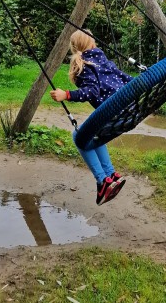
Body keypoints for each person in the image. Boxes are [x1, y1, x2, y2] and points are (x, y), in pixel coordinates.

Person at [50, 30, 132, 205]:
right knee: (93, 136)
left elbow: (91, 92)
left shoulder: (85, 65)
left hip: (112, 112)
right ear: (92, 43)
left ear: (75, 47)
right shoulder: (104, 60)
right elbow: (127, 79)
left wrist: (67, 94)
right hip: (128, 110)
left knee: (78, 136)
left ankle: (102, 181)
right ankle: (110, 175)